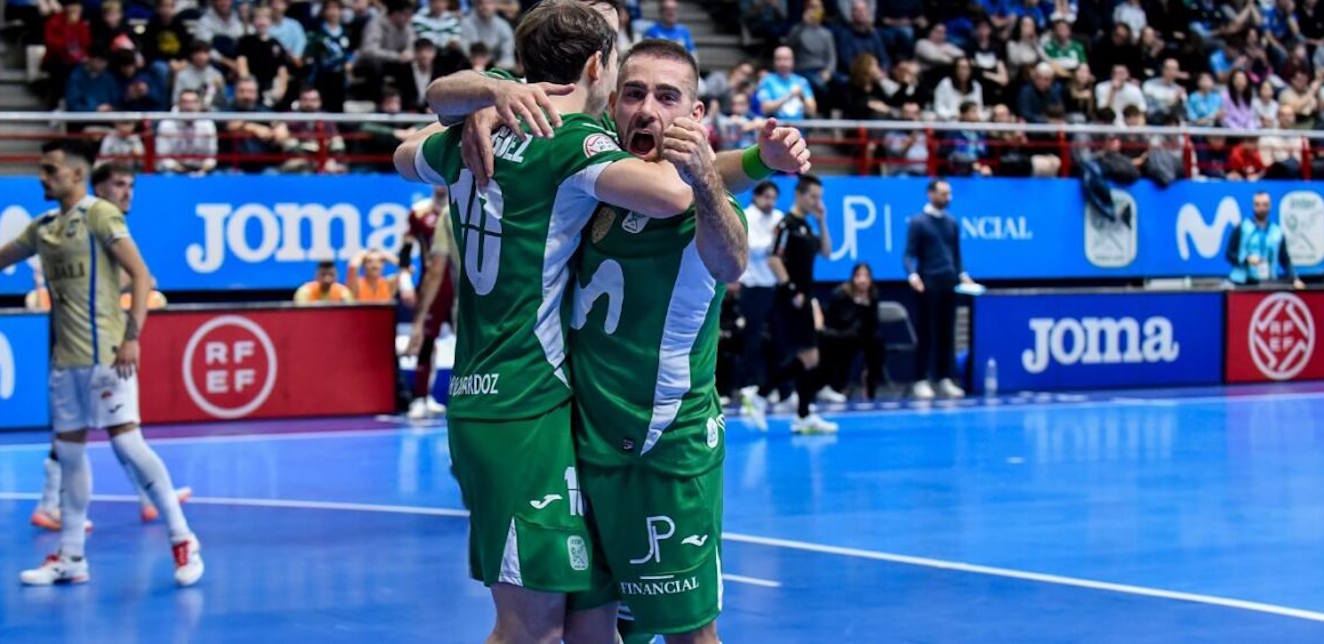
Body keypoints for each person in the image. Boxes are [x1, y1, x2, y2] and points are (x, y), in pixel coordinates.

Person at [398, 5, 807, 642]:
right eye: (632, 91)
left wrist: (751, 161)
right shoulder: (586, 162)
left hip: (654, 444)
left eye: (668, 98)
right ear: (604, 81)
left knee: (642, 631)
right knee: (546, 629)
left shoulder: (642, 180)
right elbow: (665, 184)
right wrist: (485, 97)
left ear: (696, 113)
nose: (646, 109)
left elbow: (726, 253)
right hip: (557, 421)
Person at [1, 141, 202, 586]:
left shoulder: (100, 214)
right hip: (64, 363)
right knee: (70, 456)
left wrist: (132, 337)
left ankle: (183, 538)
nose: (42, 177)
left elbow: (142, 275)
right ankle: (72, 557)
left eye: (51, 170)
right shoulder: (44, 227)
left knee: (128, 445)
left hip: (107, 355)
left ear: (77, 174)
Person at [741, 174, 839, 434]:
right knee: (809, 357)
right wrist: (791, 289)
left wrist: (822, 220)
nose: (817, 202)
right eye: (813, 197)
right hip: (791, 300)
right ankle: (764, 396)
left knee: (809, 358)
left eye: (820, 197)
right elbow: (774, 259)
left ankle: (799, 413)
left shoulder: (806, 226)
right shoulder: (786, 224)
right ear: (799, 195)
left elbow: (827, 252)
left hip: (804, 298)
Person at [904, 179, 975, 400]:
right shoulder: (918, 222)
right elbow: (908, 254)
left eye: (949, 193)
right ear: (931, 194)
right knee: (926, 333)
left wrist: (962, 274)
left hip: (949, 283)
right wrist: (913, 275)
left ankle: (945, 378)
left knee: (947, 333)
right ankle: (921, 380)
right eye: (943, 193)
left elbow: (956, 255)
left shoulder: (952, 222)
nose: (948, 198)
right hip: (928, 284)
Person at [400, 186, 456, 420]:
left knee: (471, 341)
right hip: (432, 284)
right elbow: (406, 249)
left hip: (462, 283)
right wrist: (404, 281)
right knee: (425, 340)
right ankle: (421, 397)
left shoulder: (463, 205)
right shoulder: (419, 212)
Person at [737, 181, 783, 400]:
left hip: (773, 287)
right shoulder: (746, 216)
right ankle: (749, 384)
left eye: (773, 198)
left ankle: (771, 386)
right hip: (752, 287)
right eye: (766, 197)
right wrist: (773, 239)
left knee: (777, 339)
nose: (770, 202)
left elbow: (783, 250)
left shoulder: (779, 218)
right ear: (756, 196)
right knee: (752, 339)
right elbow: (752, 248)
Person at [820, 262, 882, 400]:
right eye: (859, 276)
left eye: (866, 276)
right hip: (838, 333)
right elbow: (838, 320)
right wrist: (857, 304)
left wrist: (866, 305)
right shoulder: (841, 294)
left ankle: (870, 382)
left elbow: (873, 324)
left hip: (860, 335)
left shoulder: (872, 294)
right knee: (846, 343)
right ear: (853, 277)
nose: (863, 280)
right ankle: (836, 386)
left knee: (877, 343)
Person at [1227, 191, 1306, 289]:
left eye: (1265, 205)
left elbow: (1285, 259)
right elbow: (1229, 254)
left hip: (1268, 283)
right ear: (1253, 206)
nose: (1261, 208)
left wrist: (1295, 278)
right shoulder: (1242, 228)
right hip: (1242, 282)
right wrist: (1246, 259)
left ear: (1270, 206)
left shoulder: (1277, 232)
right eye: (1258, 205)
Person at [756, 45, 817, 121]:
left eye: (786, 59)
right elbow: (765, 108)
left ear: (792, 61)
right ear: (774, 61)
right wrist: (789, 96)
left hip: (798, 127)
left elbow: (812, 111)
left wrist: (802, 96)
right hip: (777, 127)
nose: (783, 63)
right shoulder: (767, 81)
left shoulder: (802, 81)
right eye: (779, 59)